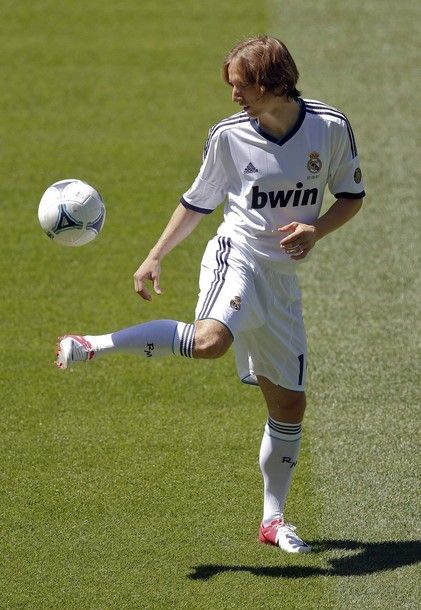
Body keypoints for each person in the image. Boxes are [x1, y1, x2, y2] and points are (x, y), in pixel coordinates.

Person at [56, 36, 365, 553]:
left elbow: (352, 197)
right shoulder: (228, 136)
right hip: (236, 255)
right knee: (209, 342)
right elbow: (198, 202)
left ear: (271, 83)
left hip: (281, 282)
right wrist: (155, 254)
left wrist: (317, 231)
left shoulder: (329, 127)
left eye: (240, 86)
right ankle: (93, 344)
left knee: (289, 404)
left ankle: (274, 521)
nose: (233, 96)